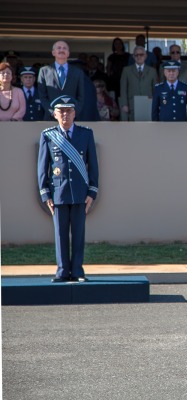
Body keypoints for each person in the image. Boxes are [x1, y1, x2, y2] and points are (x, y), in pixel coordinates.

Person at [37, 96, 99, 283]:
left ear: (75, 113)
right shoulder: (48, 135)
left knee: (79, 234)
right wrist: (45, 193)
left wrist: (92, 191)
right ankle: (63, 271)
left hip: (80, 192)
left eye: (68, 111)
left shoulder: (86, 134)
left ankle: (78, 271)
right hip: (58, 193)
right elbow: (43, 167)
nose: (65, 114)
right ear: (55, 114)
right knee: (60, 233)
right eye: (61, 111)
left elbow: (93, 165)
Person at [38, 40, 86, 119]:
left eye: (64, 48)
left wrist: (74, 113)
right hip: (51, 118)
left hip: (72, 118)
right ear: (53, 52)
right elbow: (42, 96)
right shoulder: (44, 71)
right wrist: (52, 112)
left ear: (68, 53)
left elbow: (81, 96)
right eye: (59, 48)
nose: (61, 50)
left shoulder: (78, 72)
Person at [120, 46, 158, 121]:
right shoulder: (126, 70)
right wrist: (124, 104)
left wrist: (156, 104)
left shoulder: (152, 71)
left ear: (146, 56)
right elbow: (123, 88)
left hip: (148, 104)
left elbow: (155, 89)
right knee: (133, 129)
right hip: (132, 105)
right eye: (136, 55)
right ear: (133, 57)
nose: (139, 57)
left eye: (141, 54)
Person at [106, 37, 130, 102]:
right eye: (116, 44)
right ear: (114, 46)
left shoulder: (128, 56)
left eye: (119, 44)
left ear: (122, 45)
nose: (118, 45)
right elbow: (108, 68)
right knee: (116, 97)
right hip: (115, 80)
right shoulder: (111, 57)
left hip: (126, 78)